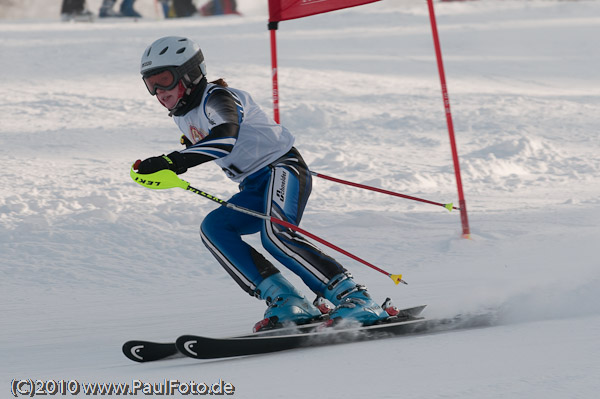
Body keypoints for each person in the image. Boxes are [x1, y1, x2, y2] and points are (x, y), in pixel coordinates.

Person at [134, 36, 395, 331]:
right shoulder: (183, 114)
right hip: (253, 185)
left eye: (165, 80)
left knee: (275, 233)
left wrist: (174, 161)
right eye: (150, 84)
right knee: (215, 228)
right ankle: (286, 300)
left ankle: (356, 298)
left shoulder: (218, 97)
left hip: (282, 169)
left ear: (191, 74)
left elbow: (226, 137)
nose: (159, 92)